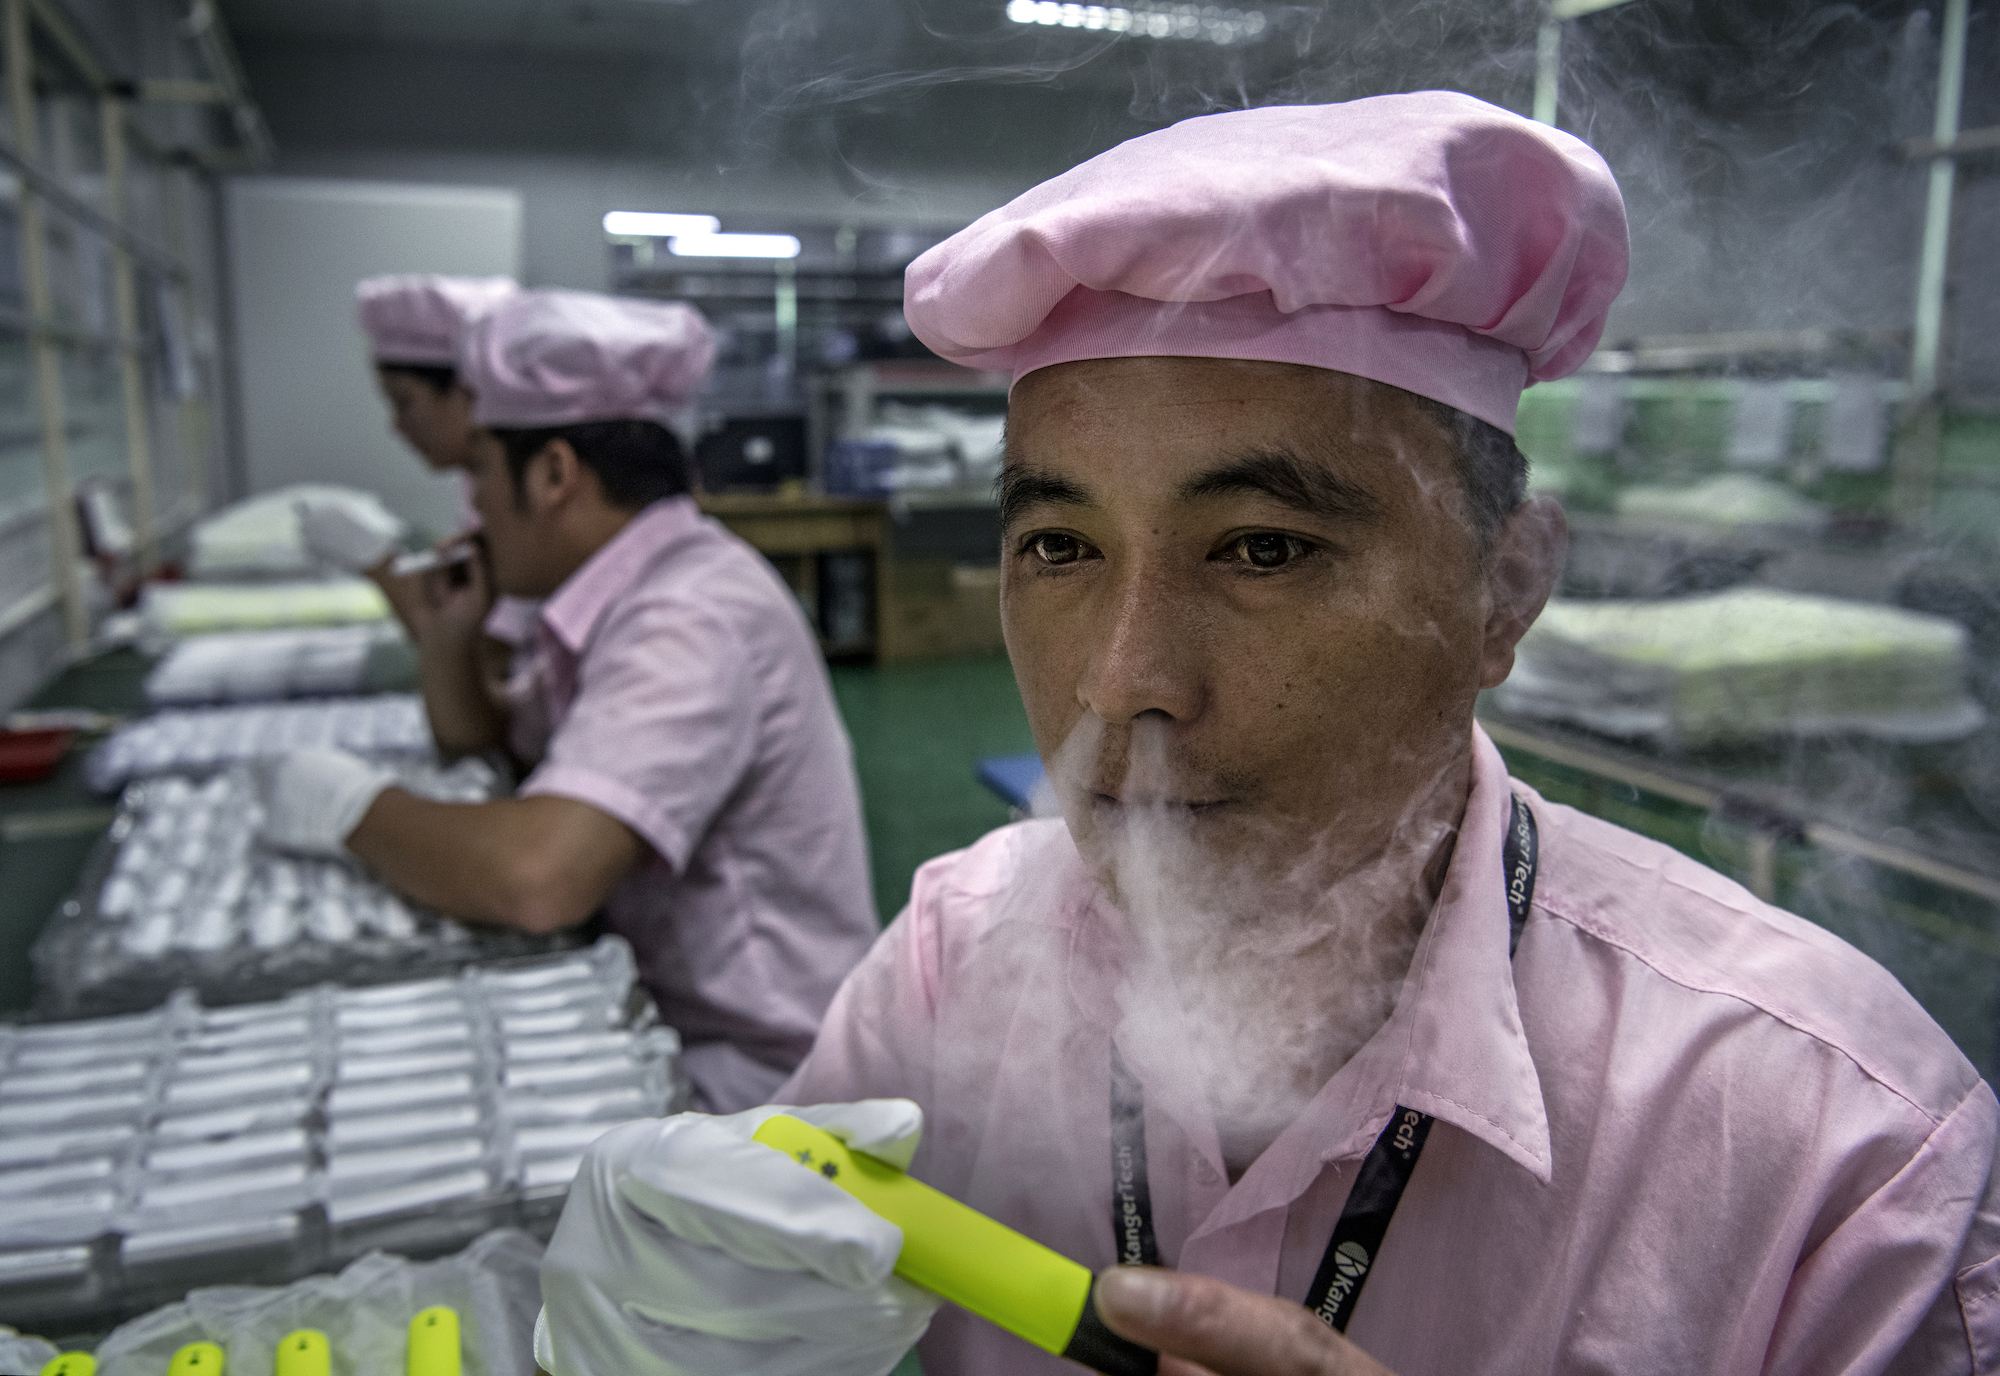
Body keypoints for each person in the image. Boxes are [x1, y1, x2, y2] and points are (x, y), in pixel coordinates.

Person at [531, 94, 2000, 1376]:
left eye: (1263, 550)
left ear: (1506, 593)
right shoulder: (948, 968)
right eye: (1059, 548)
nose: (1122, 685)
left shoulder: (1831, 1157)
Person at [254, 288, 880, 1113]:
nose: (470, 505)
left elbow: (538, 873)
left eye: (478, 470)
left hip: (760, 1086)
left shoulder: (690, 615)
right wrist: (448, 642)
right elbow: (506, 755)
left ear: (552, 474)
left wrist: (348, 809)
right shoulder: (613, 593)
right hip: (662, 1012)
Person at [297, 275, 520, 631]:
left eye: (404, 402)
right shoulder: (476, 482)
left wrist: (383, 569)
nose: (397, 427)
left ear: (468, 390)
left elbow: (487, 660)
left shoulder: (520, 496)